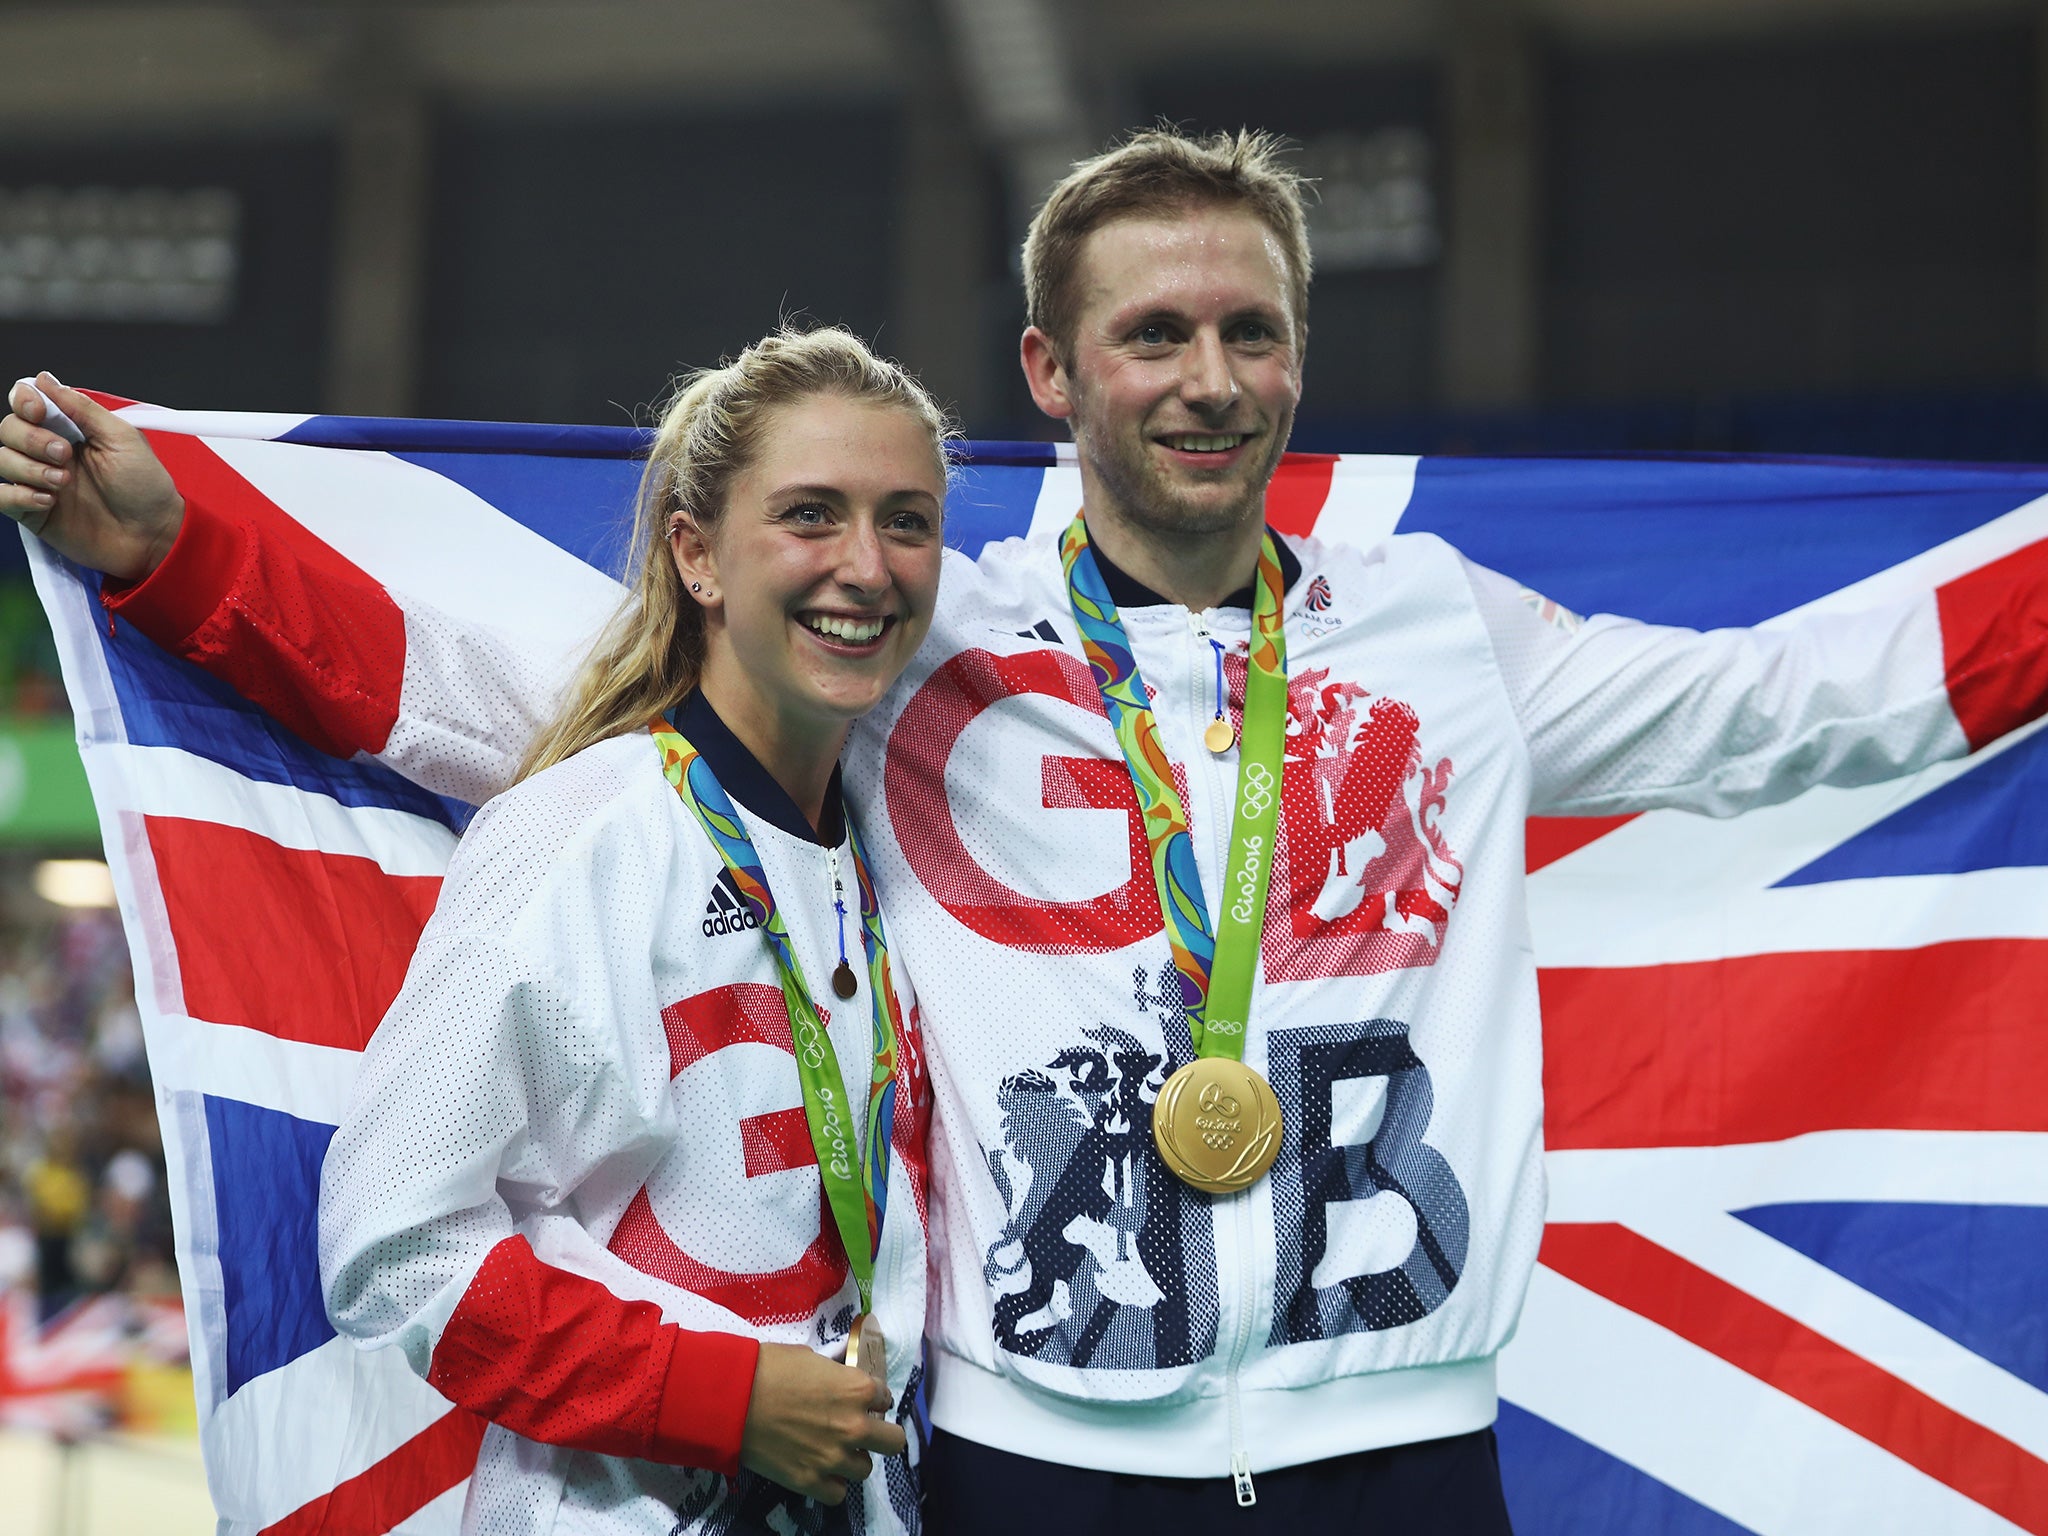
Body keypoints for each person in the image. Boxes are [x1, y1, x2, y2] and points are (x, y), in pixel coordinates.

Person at [7, 127, 2047, 1536]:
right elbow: (514, 699)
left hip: (1400, 1458)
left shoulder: (1442, 636)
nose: (1208, 380)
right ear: (1050, 371)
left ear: (1297, 359)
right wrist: (184, 563)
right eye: (1153, 335)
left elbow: (1796, 703)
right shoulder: (920, 639)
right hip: (1032, 1470)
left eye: (1249, 332)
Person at [3, 327, 953, 1534]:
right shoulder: (583, 829)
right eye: (810, 515)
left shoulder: (898, 837)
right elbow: (392, 1245)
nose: (865, 565)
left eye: (906, 521)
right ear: (696, 556)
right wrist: (717, 1399)